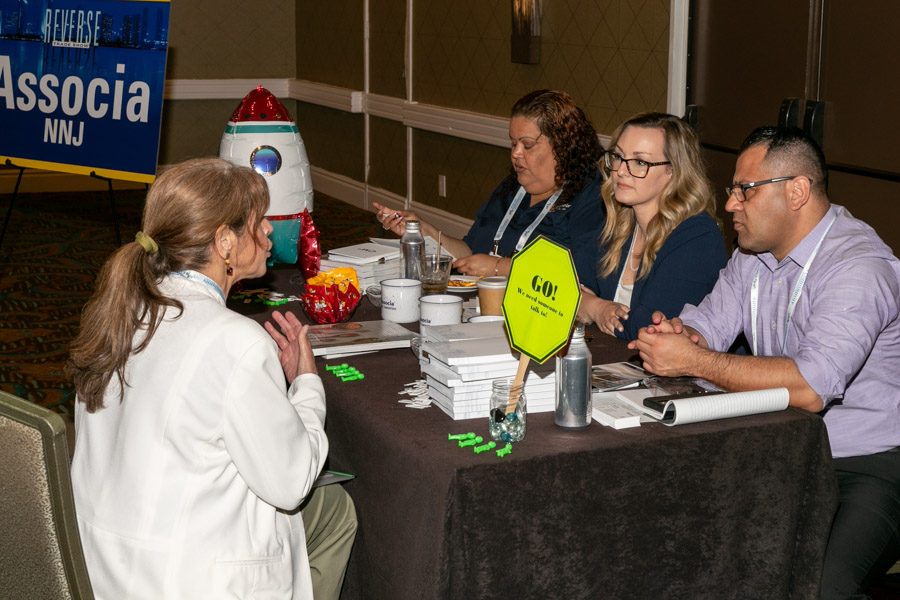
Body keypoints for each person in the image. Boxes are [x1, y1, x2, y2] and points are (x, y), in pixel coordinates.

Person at [628, 126, 900, 600]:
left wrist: (696, 360)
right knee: (687, 538)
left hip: (866, 461)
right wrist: (678, 336)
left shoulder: (858, 267)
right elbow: (709, 325)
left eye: (744, 190)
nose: (730, 203)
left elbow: (810, 388)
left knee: (818, 585)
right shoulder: (752, 253)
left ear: (797, 192)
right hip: (781, 441)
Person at [66, 158, 357, 600]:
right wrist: (305, 383)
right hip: (186, 579)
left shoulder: (121, 314)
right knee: (330, 508)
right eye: (258, 222)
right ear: (224, 242)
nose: (269, 232)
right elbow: (292, 481)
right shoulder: (234, 340)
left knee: (330, 507)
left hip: (102, 564)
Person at [373, 89, 605, 287]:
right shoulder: (513, 187)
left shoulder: (590, 198)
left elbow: (580, 277)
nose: (515, 154)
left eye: (527, 145)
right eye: (513, 143)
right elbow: (471, 252)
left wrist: (499, 267)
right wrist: (425, 231)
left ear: (563, 147)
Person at [577, 112, 727, 339]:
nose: (620, 171)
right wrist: (596, 307)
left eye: (640, 162)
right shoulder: (621, 223)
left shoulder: (698, 237)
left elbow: (647, 329)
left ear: (673, 171)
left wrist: (588, 305)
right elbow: (563, 287)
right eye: (618, 157)